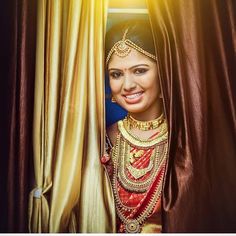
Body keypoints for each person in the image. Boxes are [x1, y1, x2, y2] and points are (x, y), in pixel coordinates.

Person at [101, 19, 169, 233]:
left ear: (164, 73)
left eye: (139, 70)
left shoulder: (184, 140)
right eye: (116, 74)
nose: (127, 85)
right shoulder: (104, 139)